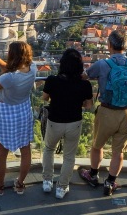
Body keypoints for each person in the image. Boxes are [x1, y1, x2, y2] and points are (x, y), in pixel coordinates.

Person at [79, 29, 127, 196]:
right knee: (118, 152)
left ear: (109, 45)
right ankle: (110, 182)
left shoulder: (102, 64)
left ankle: (93, 175)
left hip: (107, 111)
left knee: (97, 146)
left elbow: (84, 77)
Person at [0, 42, 36, 196]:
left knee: (2, 152)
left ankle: (0, 186)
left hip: (5, 113)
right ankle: (19, 184)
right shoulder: (33, 68)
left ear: (12, 56)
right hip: (23, 110)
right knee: (25, 151)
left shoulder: (9, 78)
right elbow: (11, 70)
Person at [41, 49, 93, 199]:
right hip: (74, 122)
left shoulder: (52, 80)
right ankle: (62, 188)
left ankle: (47, 181)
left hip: (54, 121)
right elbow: (89, 105)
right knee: (69, 157)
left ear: (62, 64)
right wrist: (76, 102)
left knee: (49, 149)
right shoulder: (85, 85)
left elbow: (45, 98)